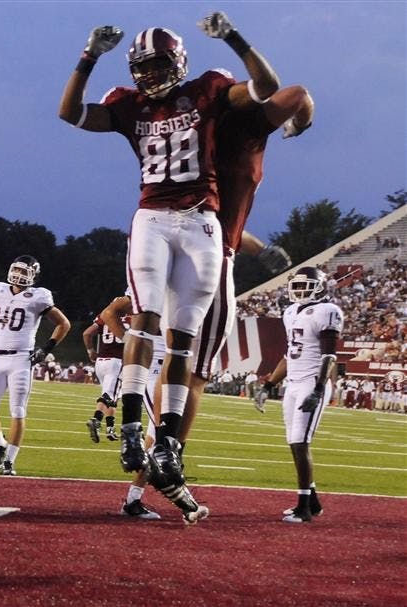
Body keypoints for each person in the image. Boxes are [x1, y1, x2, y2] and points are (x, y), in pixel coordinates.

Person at [58, 13, 279, 514]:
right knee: (145, 322)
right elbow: (69, 112)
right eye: (143, 67)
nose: (150, 76)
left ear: (178, 62)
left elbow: (267, 87)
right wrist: (88, 56)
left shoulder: (208, 89)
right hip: (153, 217)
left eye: (158, 66)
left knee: (183, 340)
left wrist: (233, 38)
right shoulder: (128, 104)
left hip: (204, 223)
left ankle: (168, 444)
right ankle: (134, 428)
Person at [178, 83, 314, 451]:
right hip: (210, 253)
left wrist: (258, 247)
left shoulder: (188, 131)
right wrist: (297, 127)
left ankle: (142, 447)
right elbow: (300, 96)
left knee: (168, 364)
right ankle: (164, 456)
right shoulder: (247, 129)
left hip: (167, 242)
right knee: (195, 372)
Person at [253, 267, 342, 522]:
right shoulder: (291, 311)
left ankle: (303, 508)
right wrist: (268, 385)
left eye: (307, 285)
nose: (301, 290)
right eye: (298, 285)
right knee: (294, 442)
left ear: (321, 287)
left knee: (301, 442)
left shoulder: (328, 311)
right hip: (292, 383)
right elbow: (289, 354)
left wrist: (317, 389)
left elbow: (329, 356)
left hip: (311, 383)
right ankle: (312, 501)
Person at [0, 255, 71, 476]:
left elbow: (64, 323)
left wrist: (46, 349)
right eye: (17, 269)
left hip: (21, 360)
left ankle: (10, 460)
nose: (19, 275)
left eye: (25, 272)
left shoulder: (39, 296)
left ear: (34, 276)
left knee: (17, 411)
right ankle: (0, 444)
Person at [102, 293, 170, 521]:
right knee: (164, 437)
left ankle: (133, 500)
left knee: (155, 439)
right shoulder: (148, 288)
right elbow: (109, 312)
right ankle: (181, 496)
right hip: (153, 369)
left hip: (170, 369)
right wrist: (126, 339)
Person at [81, 299, 128, 442]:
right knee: (109, 396)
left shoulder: (105, 316)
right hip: (117, 362)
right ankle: (96, 418)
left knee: (112, 395)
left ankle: (110, 429)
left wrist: (90, 351)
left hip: (100, 362)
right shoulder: (132, 318)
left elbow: (87, 333)